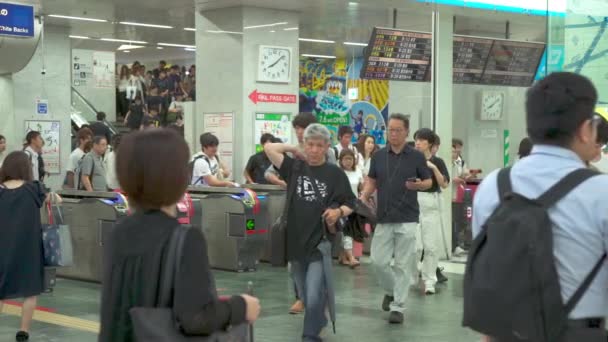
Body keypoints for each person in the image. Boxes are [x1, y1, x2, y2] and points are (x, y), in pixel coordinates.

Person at [470, 72, 608, 341]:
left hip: (507, 333)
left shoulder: (492, 186)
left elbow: (489, 272)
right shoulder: (600, 192)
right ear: (584, 130)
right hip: (580, 333)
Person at [99, 129, 260, 342]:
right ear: (176, 178)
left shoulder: (119, 233)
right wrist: (241, 306)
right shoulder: (185, 239)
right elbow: (195, 318)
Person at [265, 123, 356, 342]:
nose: (314, 150)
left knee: (314, 293)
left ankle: (309, 334)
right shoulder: (294, 167)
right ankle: (319, 319)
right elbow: (269, 148)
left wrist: (337, 211)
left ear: (327, 147)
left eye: (319, 145)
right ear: (304, 144)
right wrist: (294, 149)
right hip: (294, 242)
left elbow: (351, 202)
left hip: (320, 241)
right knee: (305, 294)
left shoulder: (334, 174)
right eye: (310, 144)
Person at [360, 113, 432, 324]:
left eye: (397, 130)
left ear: (406, 132)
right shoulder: (379, 156)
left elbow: (428, 182)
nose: (393, 134)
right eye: (389, 129)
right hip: (383, 216)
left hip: (408, 217)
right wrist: (364, 195)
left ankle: (398, 307)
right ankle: (391, 291)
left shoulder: (417, 156)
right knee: (378, 261)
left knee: (402, 265)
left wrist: (419, 185)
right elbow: (372, 180)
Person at [0, 151, 60, 342]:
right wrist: (53, 197)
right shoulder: (34, 188)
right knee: (30, 290)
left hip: (3, 246)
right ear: (26, 168)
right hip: (28, 247)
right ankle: (23, 332)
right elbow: (56, 199)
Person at [413, 128, 450, 294]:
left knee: (430, 246)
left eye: (421, 140)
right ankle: (412, 275)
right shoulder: (412, 160)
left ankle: (429, 281)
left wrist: (433, 168)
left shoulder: (438, 161)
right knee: (415, 246)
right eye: (416, 140)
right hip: (413, 202)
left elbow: (445, 184)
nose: (418, 143)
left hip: (431, 203)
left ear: (429, 143)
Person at [337, 149, 363, 268]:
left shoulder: (357, 172)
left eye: (350, 159)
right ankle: (351, 258)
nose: (348, 161)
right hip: (342, 206)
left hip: (355, 206)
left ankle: (343, 257)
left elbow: (361, 188)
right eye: (345, 159)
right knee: (346, 231)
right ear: (341, 161)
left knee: (351, 231)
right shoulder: (338, 172)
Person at [451, 138, 471, 256]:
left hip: (457, 195)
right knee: (451, 222)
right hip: (448, 197)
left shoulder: (460, 162)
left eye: (457, 150)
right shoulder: (444, 162)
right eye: (454, 149)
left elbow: (465, 174)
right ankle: (454, 245)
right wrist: (454, 179)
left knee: (458, 220)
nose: (456, 152)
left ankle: (456, 245)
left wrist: (465, 176)